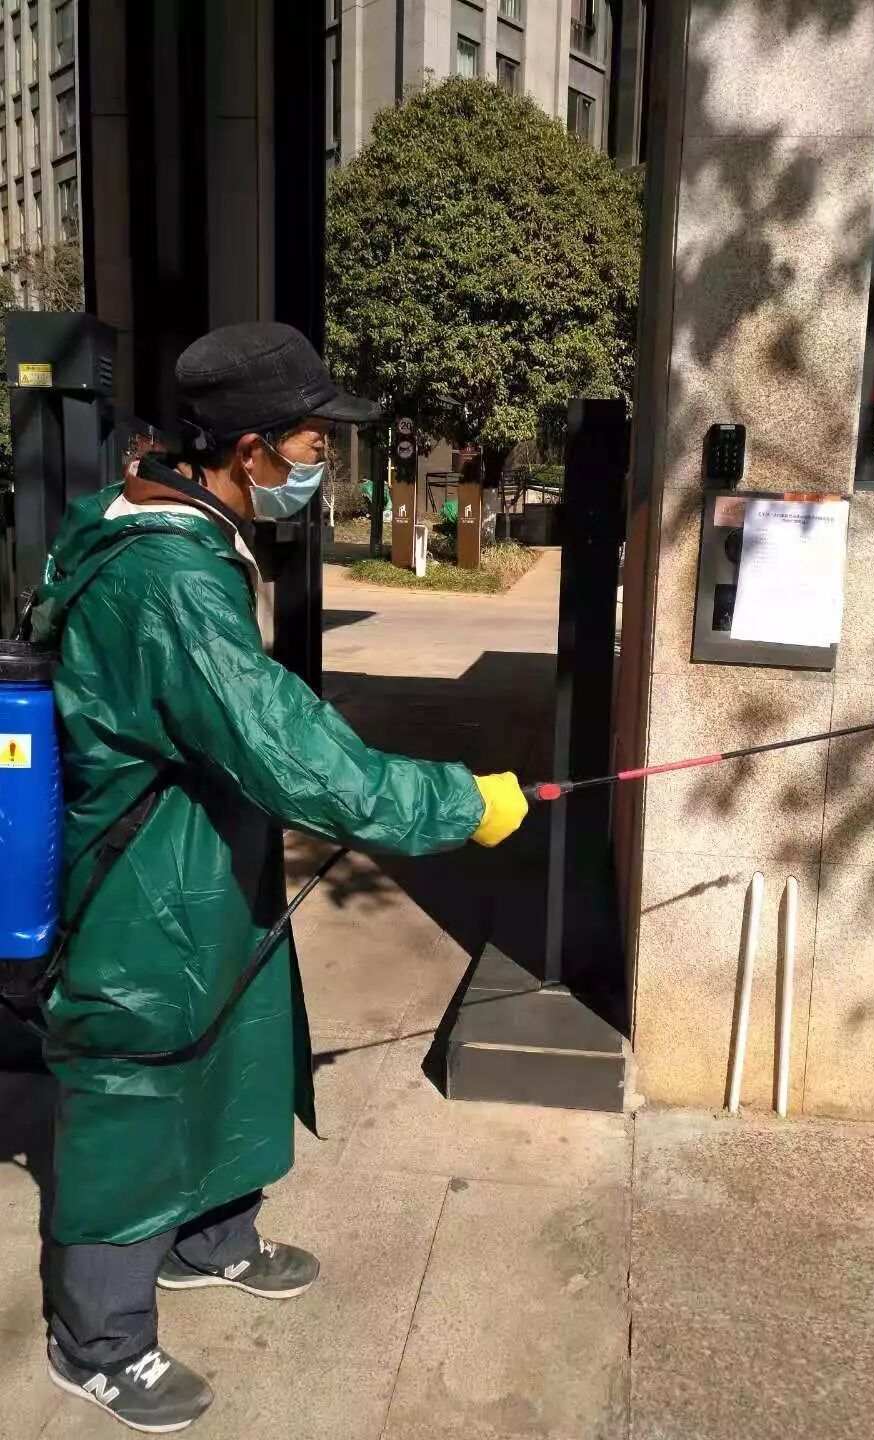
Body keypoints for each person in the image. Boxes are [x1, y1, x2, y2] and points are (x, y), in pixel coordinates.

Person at [32, 322, 529, 1432]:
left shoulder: (180, 521)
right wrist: (456, 803)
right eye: (311, 442)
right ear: (249, 449)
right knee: (136, 1073)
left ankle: (209, 1238)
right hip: (146, 877)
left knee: (234, 1037)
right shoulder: (167, 577)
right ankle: (98, 1339)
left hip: (208, 857)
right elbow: (288, 751)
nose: (322, 462)